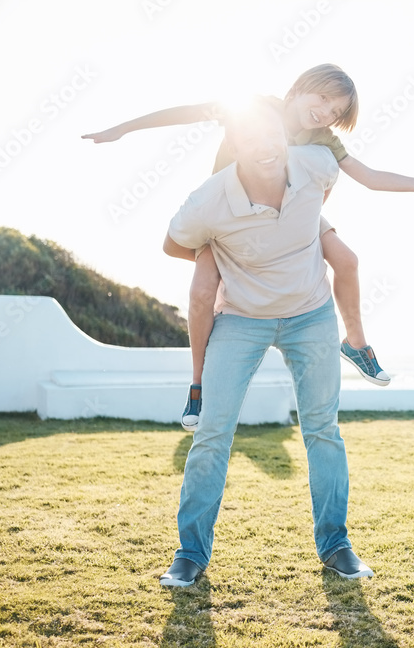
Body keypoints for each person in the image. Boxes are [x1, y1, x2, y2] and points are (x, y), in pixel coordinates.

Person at [84, 64, 414, 430]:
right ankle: (198, 384)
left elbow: (370, 177)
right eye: (324, 99)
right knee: (203, 291)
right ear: (301, 87)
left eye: (336, 112)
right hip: (228, 217)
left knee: (346, 260)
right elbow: (187, 113)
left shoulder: (323, 139)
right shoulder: (252, 108)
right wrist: (122, 129)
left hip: (287, 215)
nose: (326, 113)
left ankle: (356, 344)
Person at [157, 98, 372, 587]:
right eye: (250, 138)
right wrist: (214, 248)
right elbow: (173, 243)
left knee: (323, 430)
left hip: (311, 314)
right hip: (242, 319)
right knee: (212, 433)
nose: (266, 146)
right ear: (234, 145)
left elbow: (320, 200)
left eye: (272, 135)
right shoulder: (209, 199)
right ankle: (190, 553)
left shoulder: (316, 164)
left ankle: (336, 545)